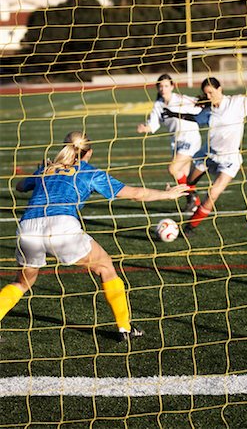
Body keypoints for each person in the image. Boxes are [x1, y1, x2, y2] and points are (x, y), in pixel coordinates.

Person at [0, 131, 189, 341]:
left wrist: (40, 171)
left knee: (22, 283)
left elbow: (19, 186)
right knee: (105, 267)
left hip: (28, 228)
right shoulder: (90, 172)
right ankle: (125, 328)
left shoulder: (46, 168)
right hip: (62, 226)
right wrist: (168, 194)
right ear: (89, 152)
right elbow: (135, 194)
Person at [169, 51, 247, 237]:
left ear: (220, 89)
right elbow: (194, 118)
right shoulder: (209, 111)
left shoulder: (237, 103)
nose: (209, 96)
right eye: (206, 93)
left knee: (213, 194)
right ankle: (190, 198)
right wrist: (173, 114)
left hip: (229, 159)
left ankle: (190, 227)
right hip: (208, 154)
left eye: (211, 92)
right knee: (190, 182)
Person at [137, 73, 209, 212]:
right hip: (176, 142)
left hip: (190, 139)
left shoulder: (181, 99)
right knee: (183, 175)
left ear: (172, 86)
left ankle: (192, 198)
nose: (163, 89)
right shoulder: (158, 104)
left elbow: (200, 104)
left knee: (173, 169)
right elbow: (153, 124)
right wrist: (145, 128)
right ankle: (193, 202)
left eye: (166, 86)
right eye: (160, 86)